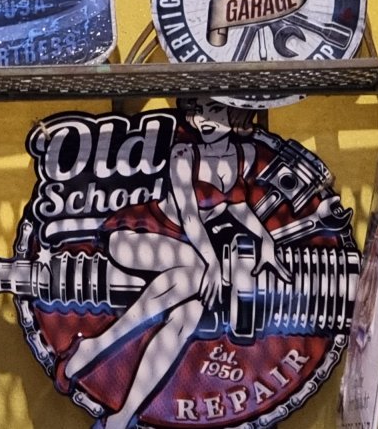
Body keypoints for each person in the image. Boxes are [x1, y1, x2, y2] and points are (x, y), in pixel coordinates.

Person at [61, 99, 289, 429]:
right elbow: (189, 215)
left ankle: (122, 415)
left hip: (186, 252)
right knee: (197, 274)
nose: (202, 119)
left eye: (213, 110)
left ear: (235, 113)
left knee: (189, 316)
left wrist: (266, 241)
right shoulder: (184, 154)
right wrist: (213, 263)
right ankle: (95, 347)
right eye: (197, 110)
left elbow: (236, 206)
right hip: (139, 233)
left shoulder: (243, 155)